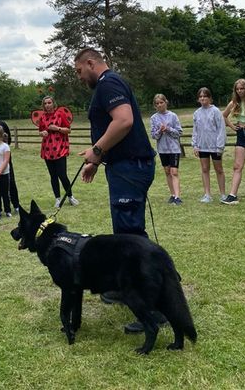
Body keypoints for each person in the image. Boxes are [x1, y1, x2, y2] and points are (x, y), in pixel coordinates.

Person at [74, 48, 162, 334]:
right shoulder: (107, 84)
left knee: (132, 236)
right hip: (123, 166)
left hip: (131, 168)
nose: (78, 77)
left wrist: (97, 150)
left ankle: (154, 306)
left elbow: (124, 121)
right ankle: (126, 287)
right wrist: (97, 161)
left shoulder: (108, 83)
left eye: (78, 70)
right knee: (125, 233)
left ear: (90, 63)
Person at [38, 96, 79, 208]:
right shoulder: (42, 118)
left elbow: (68, 130)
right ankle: (57, 198)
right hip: (47, 150)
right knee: (53, 176)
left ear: (53, 103)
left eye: (49, 102)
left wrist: (57, 128)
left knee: (62, 175)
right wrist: (42, 133)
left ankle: (70, 196)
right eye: (45, 103)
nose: (47, 105)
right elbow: (40, 131)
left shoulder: (60, 114)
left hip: (60, 149)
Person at [192, 87, 226, 203]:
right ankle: (207, 194)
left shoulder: (216, 111)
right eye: (200, 97)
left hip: (215, 146)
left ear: (210, 98)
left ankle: (222, 194)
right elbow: (195, 130)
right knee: (205, 169)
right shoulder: (197, 113)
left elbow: (221, 129)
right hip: (202, 146)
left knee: (219, 169)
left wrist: (220, 146)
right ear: (198, 99)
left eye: (205, 96)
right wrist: (195, 145)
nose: (203, 98)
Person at [221, 78, 245, 204]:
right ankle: (232, 195)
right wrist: (233, 127)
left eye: (242, 88)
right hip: (241, 134)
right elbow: (223, 115)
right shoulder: (234, 103)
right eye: (237, 89)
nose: (239, 91)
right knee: (237, 166)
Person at [150, 94, 183, 205]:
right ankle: (172, 194)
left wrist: (168, 129)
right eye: (157, 103)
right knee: (167, 171)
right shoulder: (154, 118)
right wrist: (160, 131)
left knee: (174, 172)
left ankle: (178, 196)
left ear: (166, 102)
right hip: (163, 149)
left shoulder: (173, 116)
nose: (159, 105)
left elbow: (179, 132)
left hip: (174, 148)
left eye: (161, 102)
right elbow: (154, 136)